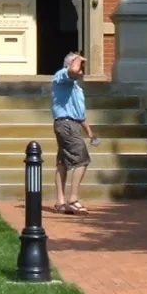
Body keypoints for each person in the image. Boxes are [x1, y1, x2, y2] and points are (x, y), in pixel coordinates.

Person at [50, 52, 95, 215]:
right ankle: (73, 200)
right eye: (81, 66)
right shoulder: (62, 76)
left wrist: (89, 131)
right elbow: (73, 70)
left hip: (70, 123)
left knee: (62, 162)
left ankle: (60, 202)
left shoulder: (75, 87)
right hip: (66, 124)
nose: (82, 70)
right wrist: (78, 59)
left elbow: (79, 114)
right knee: (82, 160)